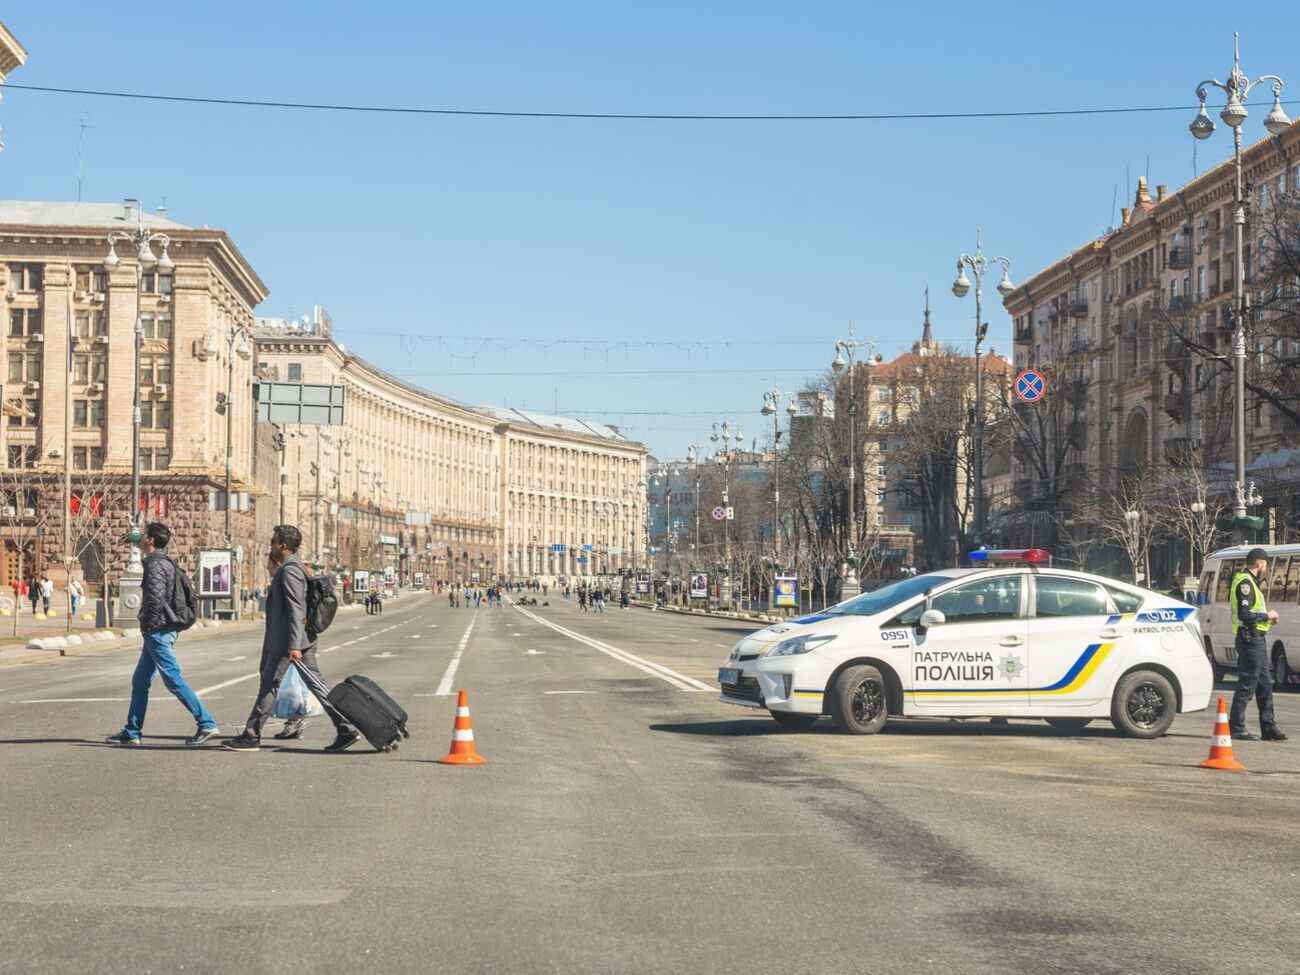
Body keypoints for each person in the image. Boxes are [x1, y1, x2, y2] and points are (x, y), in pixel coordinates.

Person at [224, 525, 360, 752]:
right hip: (294, 640)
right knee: (316, 685)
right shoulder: (296, 567)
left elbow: (296, 609)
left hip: (288, 642)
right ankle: (345, 728)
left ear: (283, 546)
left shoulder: (290, 571)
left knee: (270, 685)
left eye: (273, 542)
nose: (271, 546)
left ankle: (251, 736)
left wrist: (294, 645)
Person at [105, 522, 219, 747]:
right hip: (160, 629)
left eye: (144, 534)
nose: (141, 537)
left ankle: (206, 722)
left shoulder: (156, 564)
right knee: (140, 681)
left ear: (151, 540)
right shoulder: (163, 562)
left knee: (173, 679)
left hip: (158, 630)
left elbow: (155, 599)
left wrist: (147, 625)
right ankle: (132, 731)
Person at [1229, 548, 1287, 742]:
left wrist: (1266, 620)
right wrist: (1267, 615)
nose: (1266, 569)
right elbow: (1244, 615)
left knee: (1265, 685)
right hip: (1249, 639)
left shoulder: (1251, 583)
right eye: (1266, 565)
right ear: (1260, 563)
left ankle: (1268, 727)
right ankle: (1236, 727)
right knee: (1247, 685)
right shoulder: (1245, 583)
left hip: (1257, 639)